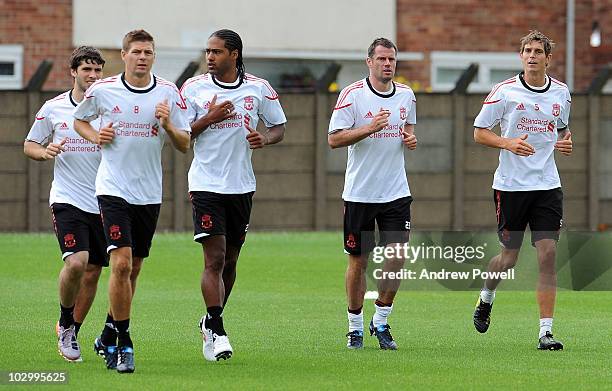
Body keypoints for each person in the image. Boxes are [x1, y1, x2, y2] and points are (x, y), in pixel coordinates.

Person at [74, 29, 191, 373]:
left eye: (148, 52)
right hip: (112, 189)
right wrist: (97, 135)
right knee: (121, 264)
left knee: (134, 267)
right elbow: (80, 120)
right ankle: (124, 343)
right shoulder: (103, 90)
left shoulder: (168, 92)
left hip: (148, 193)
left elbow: (184, 144)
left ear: (154, 56)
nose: (142, 57)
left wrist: (168, 123)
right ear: (124, 55)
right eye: (137, 51)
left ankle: (108, 330)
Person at [180, 29, 286, 361]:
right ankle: (218, 329)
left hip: (242, 186)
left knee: (231, 260)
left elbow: (279, 126)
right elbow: (181, 136)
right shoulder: (194, 88)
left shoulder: (259, 88)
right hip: (206, 184)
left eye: (216, 52)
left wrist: (265, 140)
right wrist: (208, 119)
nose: (209, 57)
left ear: (234, 54)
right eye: (207, 51)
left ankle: (209, 322)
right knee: (213, 258)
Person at [472, 30, 573, 350]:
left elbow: (562, 128)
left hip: (547, 186)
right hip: (511, 187)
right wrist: (507, 143)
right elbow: (479, 132)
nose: (532, 56)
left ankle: (545, 332)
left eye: (538, 51)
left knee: (547, 254)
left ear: (548, 58)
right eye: (527, 50)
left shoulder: (561, 93)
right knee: (509, 259)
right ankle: (486, 297)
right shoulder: (504, 92)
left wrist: (566, 141)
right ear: (521, 56)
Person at [328, 38, 417, 350]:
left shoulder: (406, 94)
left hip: (396, 192)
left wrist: (409, 139)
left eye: (392, 59)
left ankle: (381, 320)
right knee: (358, 262)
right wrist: (368, 128)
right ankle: (354, 327)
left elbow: (407, 129)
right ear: (369, 62)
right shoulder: (352, 95)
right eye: (381, 59)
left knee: (397, 256)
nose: (387, 64)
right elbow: (334, 140)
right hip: (360, 194)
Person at [24, 46, 106, 363]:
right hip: (68, 198)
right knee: (76, 263)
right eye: (87, 69)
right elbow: (30, 144)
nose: (93, 76)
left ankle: (71, 328)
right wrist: (43, 152)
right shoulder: (54, 108)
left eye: (98, 70)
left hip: (103, 199)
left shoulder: (110, 107)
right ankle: (66, 321)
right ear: (73, 72)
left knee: (93, 271)